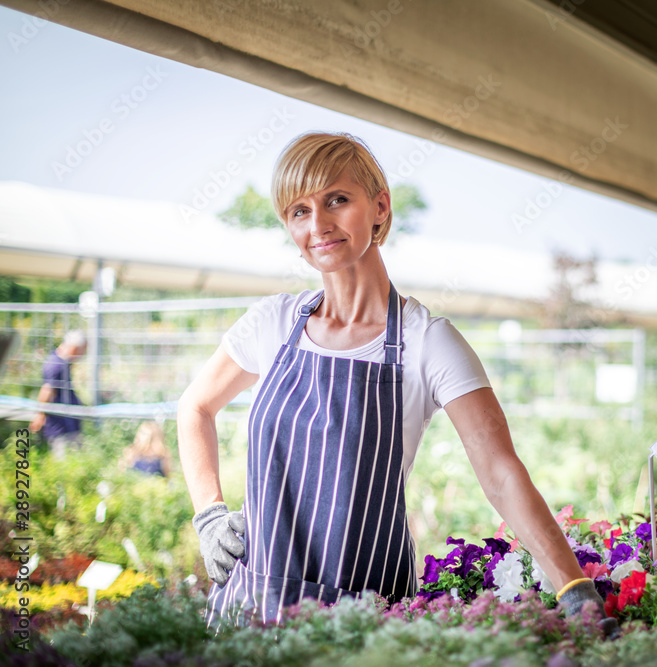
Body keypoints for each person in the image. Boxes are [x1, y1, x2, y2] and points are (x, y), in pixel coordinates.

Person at [177, 132, 616, 634]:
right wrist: (210, 517)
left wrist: (575, 589)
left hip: (365, 612)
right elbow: (195, 409)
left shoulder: (427, 341)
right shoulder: (273, 323)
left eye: (336, 200)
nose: (318, 224)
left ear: (380, 207)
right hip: (252, 601)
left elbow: (500, 472)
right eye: (298, 211)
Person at [29, 330, 87, 459]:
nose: (83, 355)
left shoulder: (63, 362)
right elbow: (47, 390)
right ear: (75, 348)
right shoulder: (56, 365)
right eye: (83, 350)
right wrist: (40, 414)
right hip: (61, 427)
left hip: (68, 423)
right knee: (64, 459)